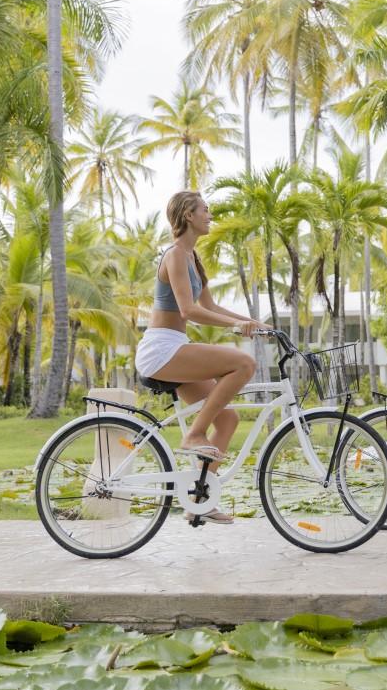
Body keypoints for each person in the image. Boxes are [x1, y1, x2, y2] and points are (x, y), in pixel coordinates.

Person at [135, 190, 260, 524]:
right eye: (205, 210)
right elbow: (189, 310)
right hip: (162, 348)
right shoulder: (175, 255)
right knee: (244, 363)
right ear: (188, 215)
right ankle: (193, 435)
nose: (210, 215)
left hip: (174, 347)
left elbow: (211, 307)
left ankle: (198, 500)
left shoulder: (194, 259)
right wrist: (237, 326)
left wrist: (257, 325)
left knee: (229, 419)